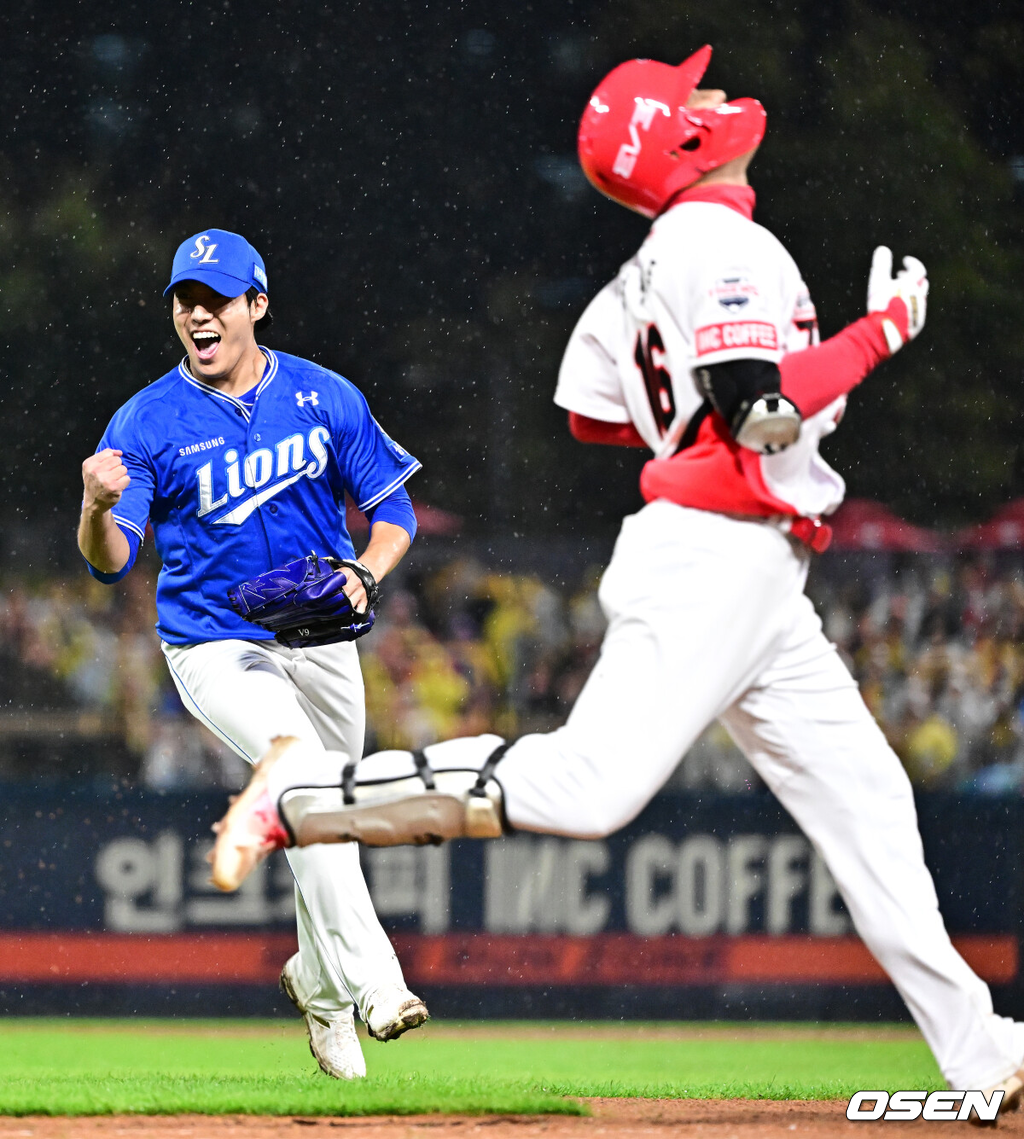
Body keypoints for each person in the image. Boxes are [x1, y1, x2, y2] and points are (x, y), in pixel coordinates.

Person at [209, 50, 1024, 1107]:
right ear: (674, 139)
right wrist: (882, 332)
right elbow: (752, 402)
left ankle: (978, 1048)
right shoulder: (718, 237)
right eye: (692, 97)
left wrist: (684, 398)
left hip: (755, 569)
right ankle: (305, 798)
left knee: (868, 801)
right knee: (589, 786)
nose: (715, 100)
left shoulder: (648, 265)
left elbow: (591, 405)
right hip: (713, 552)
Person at [78, 229, 428, 1080]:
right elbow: (108, 559)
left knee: (327, 814)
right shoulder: (147, 419)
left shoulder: (322, 395)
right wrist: (94, 506)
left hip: (321, 637)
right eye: (184, 299)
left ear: (255, 306)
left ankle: (317, 981)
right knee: (302, 776)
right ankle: (376, 982)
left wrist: (364, 570)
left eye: (215, 298)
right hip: (214, 643)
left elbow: (397, 515)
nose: (197, 314)